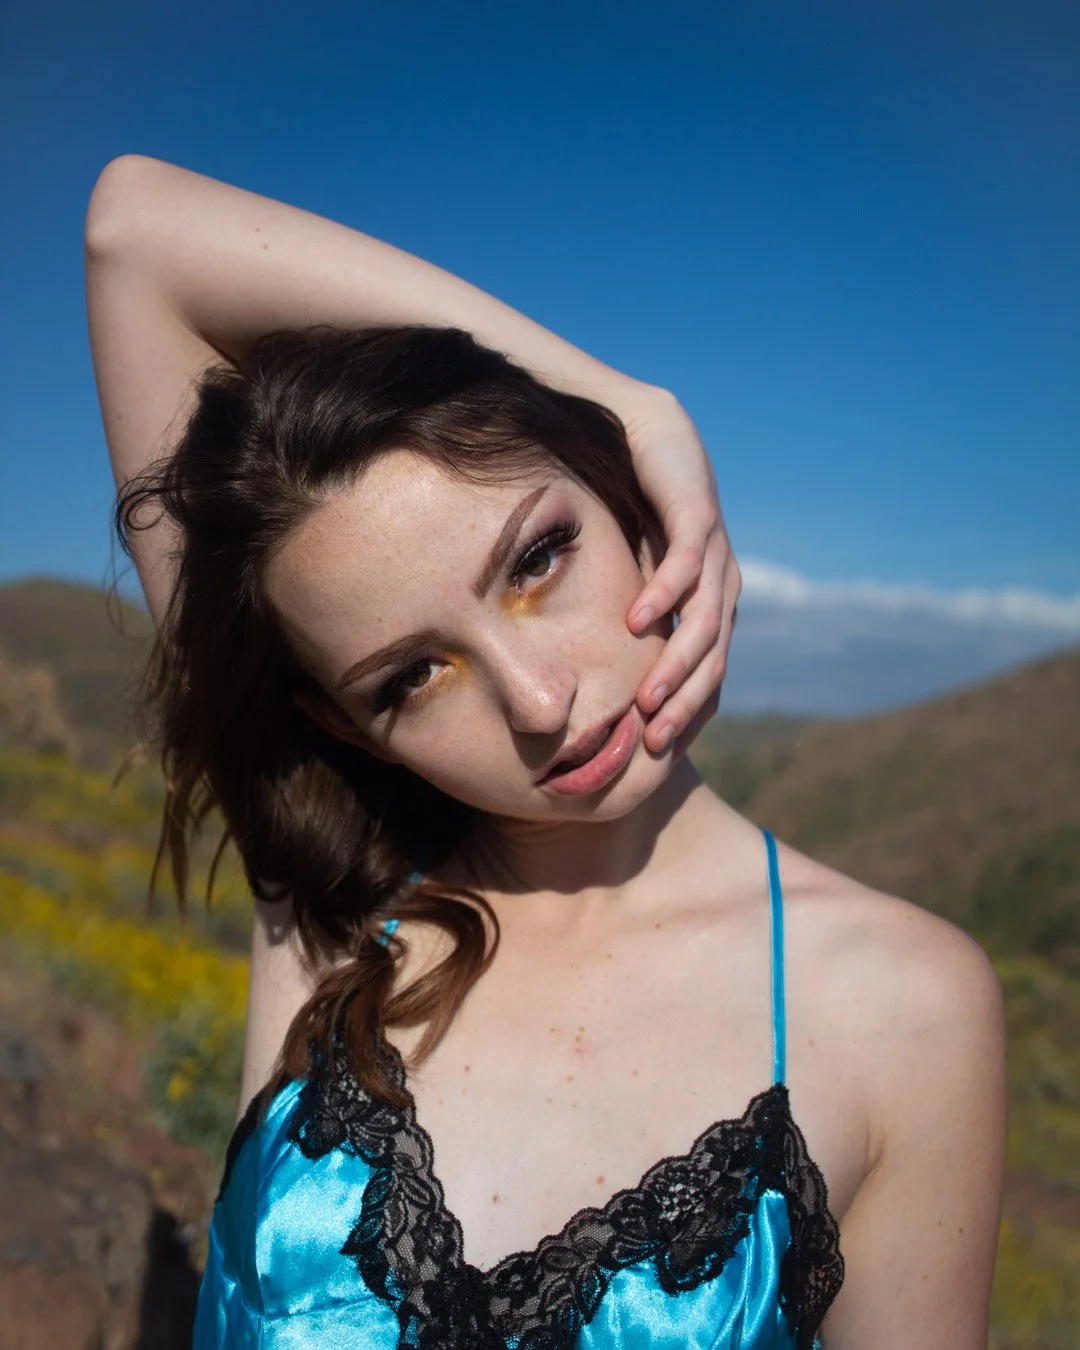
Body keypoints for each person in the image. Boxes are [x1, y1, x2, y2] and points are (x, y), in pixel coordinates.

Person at [86, 156, 1006, 1350]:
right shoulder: (332, 903)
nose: (539, 701)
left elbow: (135, 230)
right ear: (346, 724)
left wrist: (628, 409)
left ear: (622, 496)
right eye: (412, 678)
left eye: (537, 559)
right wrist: (624, 397)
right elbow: (132, 238)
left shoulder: (906, 1006)